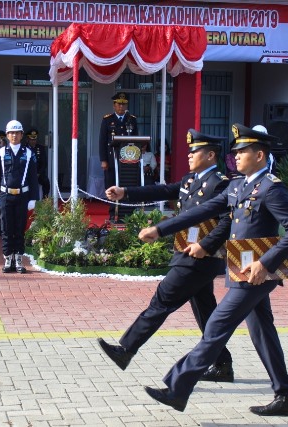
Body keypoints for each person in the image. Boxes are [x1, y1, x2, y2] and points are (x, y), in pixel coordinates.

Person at [141, 124, 288, 417]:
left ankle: (177, 389)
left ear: (259, 154)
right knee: (262, 332)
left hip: (257, 271)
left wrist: (265, 262)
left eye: (242, 151)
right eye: (235, 152)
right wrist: (161, 228)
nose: (236, 156)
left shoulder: (271, 187)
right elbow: (200, 212)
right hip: (241, 267)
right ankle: (286, 396)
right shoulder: (237, 185)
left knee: (216, 327)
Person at [98, 129, 234, 382]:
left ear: (211, 155)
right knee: (205, 311)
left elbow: (228, 220)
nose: (190, 155)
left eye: (195, 151)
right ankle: (222, 364)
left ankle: (126, 349)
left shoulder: (220, 183)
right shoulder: (190, 180)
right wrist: (125, 192)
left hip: (200, 257)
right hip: (187, 252)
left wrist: (206, 244)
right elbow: (162, 190)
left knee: (162, 299)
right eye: (190, 151)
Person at [0, 120, 39, 273]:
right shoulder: (0, 152)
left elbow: (33, 177)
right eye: (11, 133)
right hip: (5, 195)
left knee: (19, 228)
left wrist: (33, 198)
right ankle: (7, 259)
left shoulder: (29, 153)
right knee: (6, 227)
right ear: (7, 135)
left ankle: (18, 259)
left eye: (17, 132)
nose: (14, 135)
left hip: (22, 196)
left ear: (21, 135)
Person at [98, 92, 138, 191]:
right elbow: (102, 141)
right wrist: (103, 160)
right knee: (111, 181)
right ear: (114, 105)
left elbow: (136, 138)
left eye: (123, 104)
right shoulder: (107, 119)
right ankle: (113, 205)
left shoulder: (131, 119)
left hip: (128, 156)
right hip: (112, 156)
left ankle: (126, 205)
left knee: (126, 181)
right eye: (119, 104)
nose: (121, 106)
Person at [25, 128, 50, 198]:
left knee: (46, 182)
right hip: (27, 173)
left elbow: (44, 163)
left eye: (35, 139)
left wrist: (38, 173)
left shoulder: (40, 148)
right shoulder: (24, 148)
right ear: (28, 139)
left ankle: (45, 200)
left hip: (38, 173)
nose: (33, 141)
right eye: (31, 139)